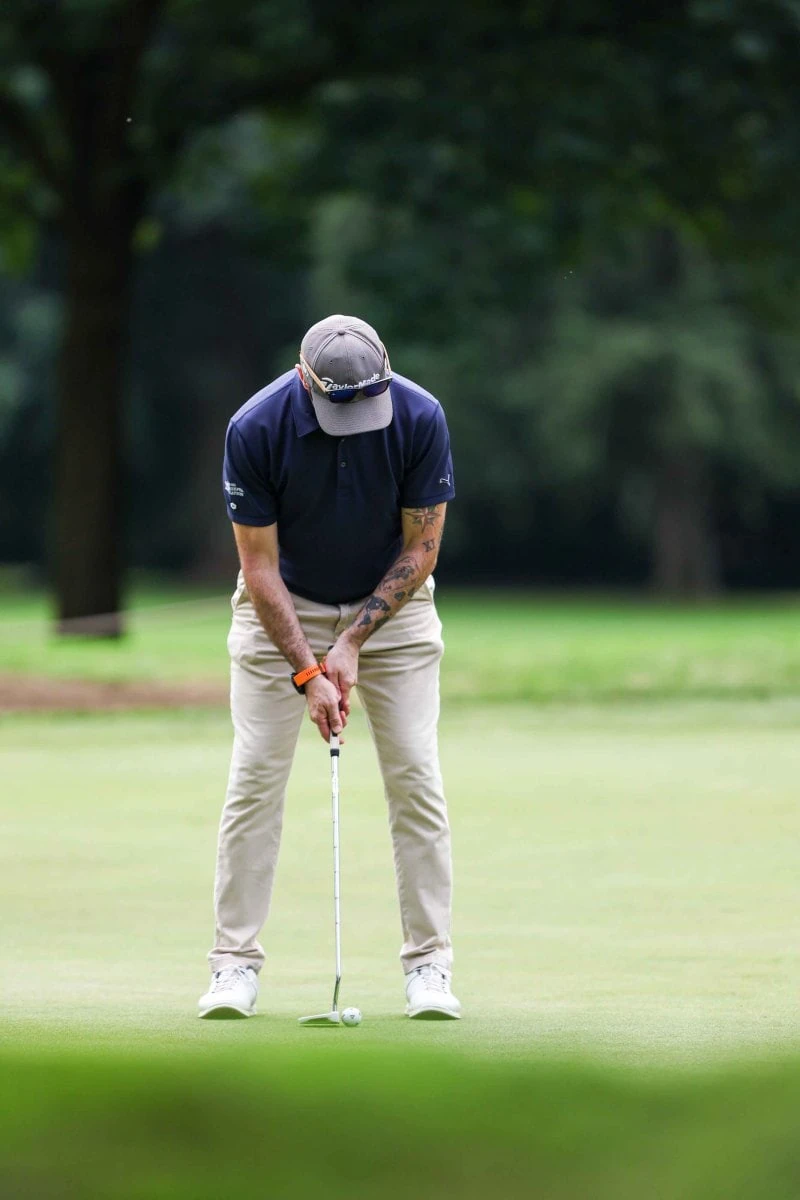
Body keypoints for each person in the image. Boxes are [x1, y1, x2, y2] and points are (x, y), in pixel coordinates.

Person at [198, 314, 461, 1021]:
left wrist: (349, 646)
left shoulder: (419, 415)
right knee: (255, 779)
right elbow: (258, 568)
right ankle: (233, 966)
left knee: (415, 776)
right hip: (281, 604)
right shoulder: (255, 427)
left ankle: (430, 964)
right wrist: (308, 672)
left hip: (395, 608)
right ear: (303, 376)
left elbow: (422, 549)